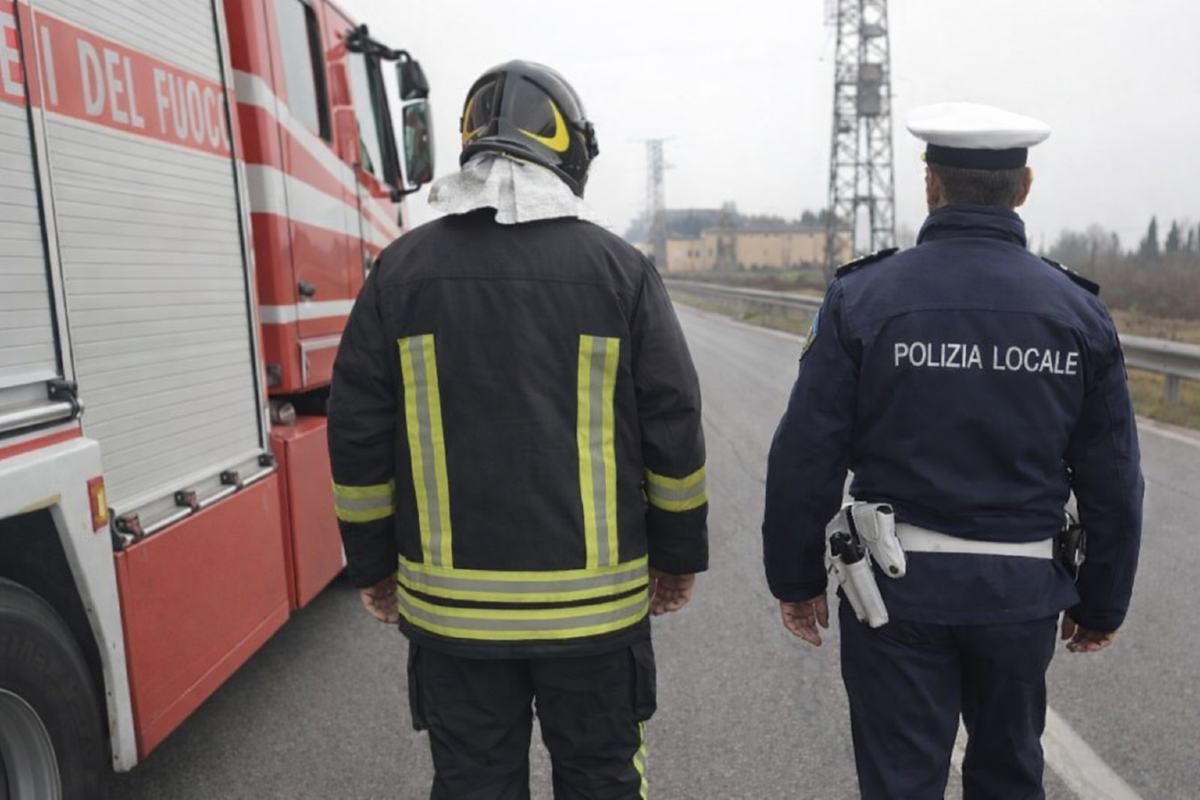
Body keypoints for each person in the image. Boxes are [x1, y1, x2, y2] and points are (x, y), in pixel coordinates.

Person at [328, 60, 708, 800]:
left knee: (472, 784)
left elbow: (358, 434)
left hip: (452, 616)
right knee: (601, 779)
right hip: (596, 617)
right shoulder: (620, 272)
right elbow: (673, 425)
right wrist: (677, 556)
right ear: (567, 152)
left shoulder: (399, 274)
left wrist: (372, 566)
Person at [761, 102, 1144, 800]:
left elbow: (805, 455)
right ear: (1023, 188)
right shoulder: (1077, 312)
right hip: (1020, 597)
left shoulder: (863, 296)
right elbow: (1113, 474)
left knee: (901, 783)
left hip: (895, 594)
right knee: (1008, 777)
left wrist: (795, 579)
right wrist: (1103, 599)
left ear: (930, 183)